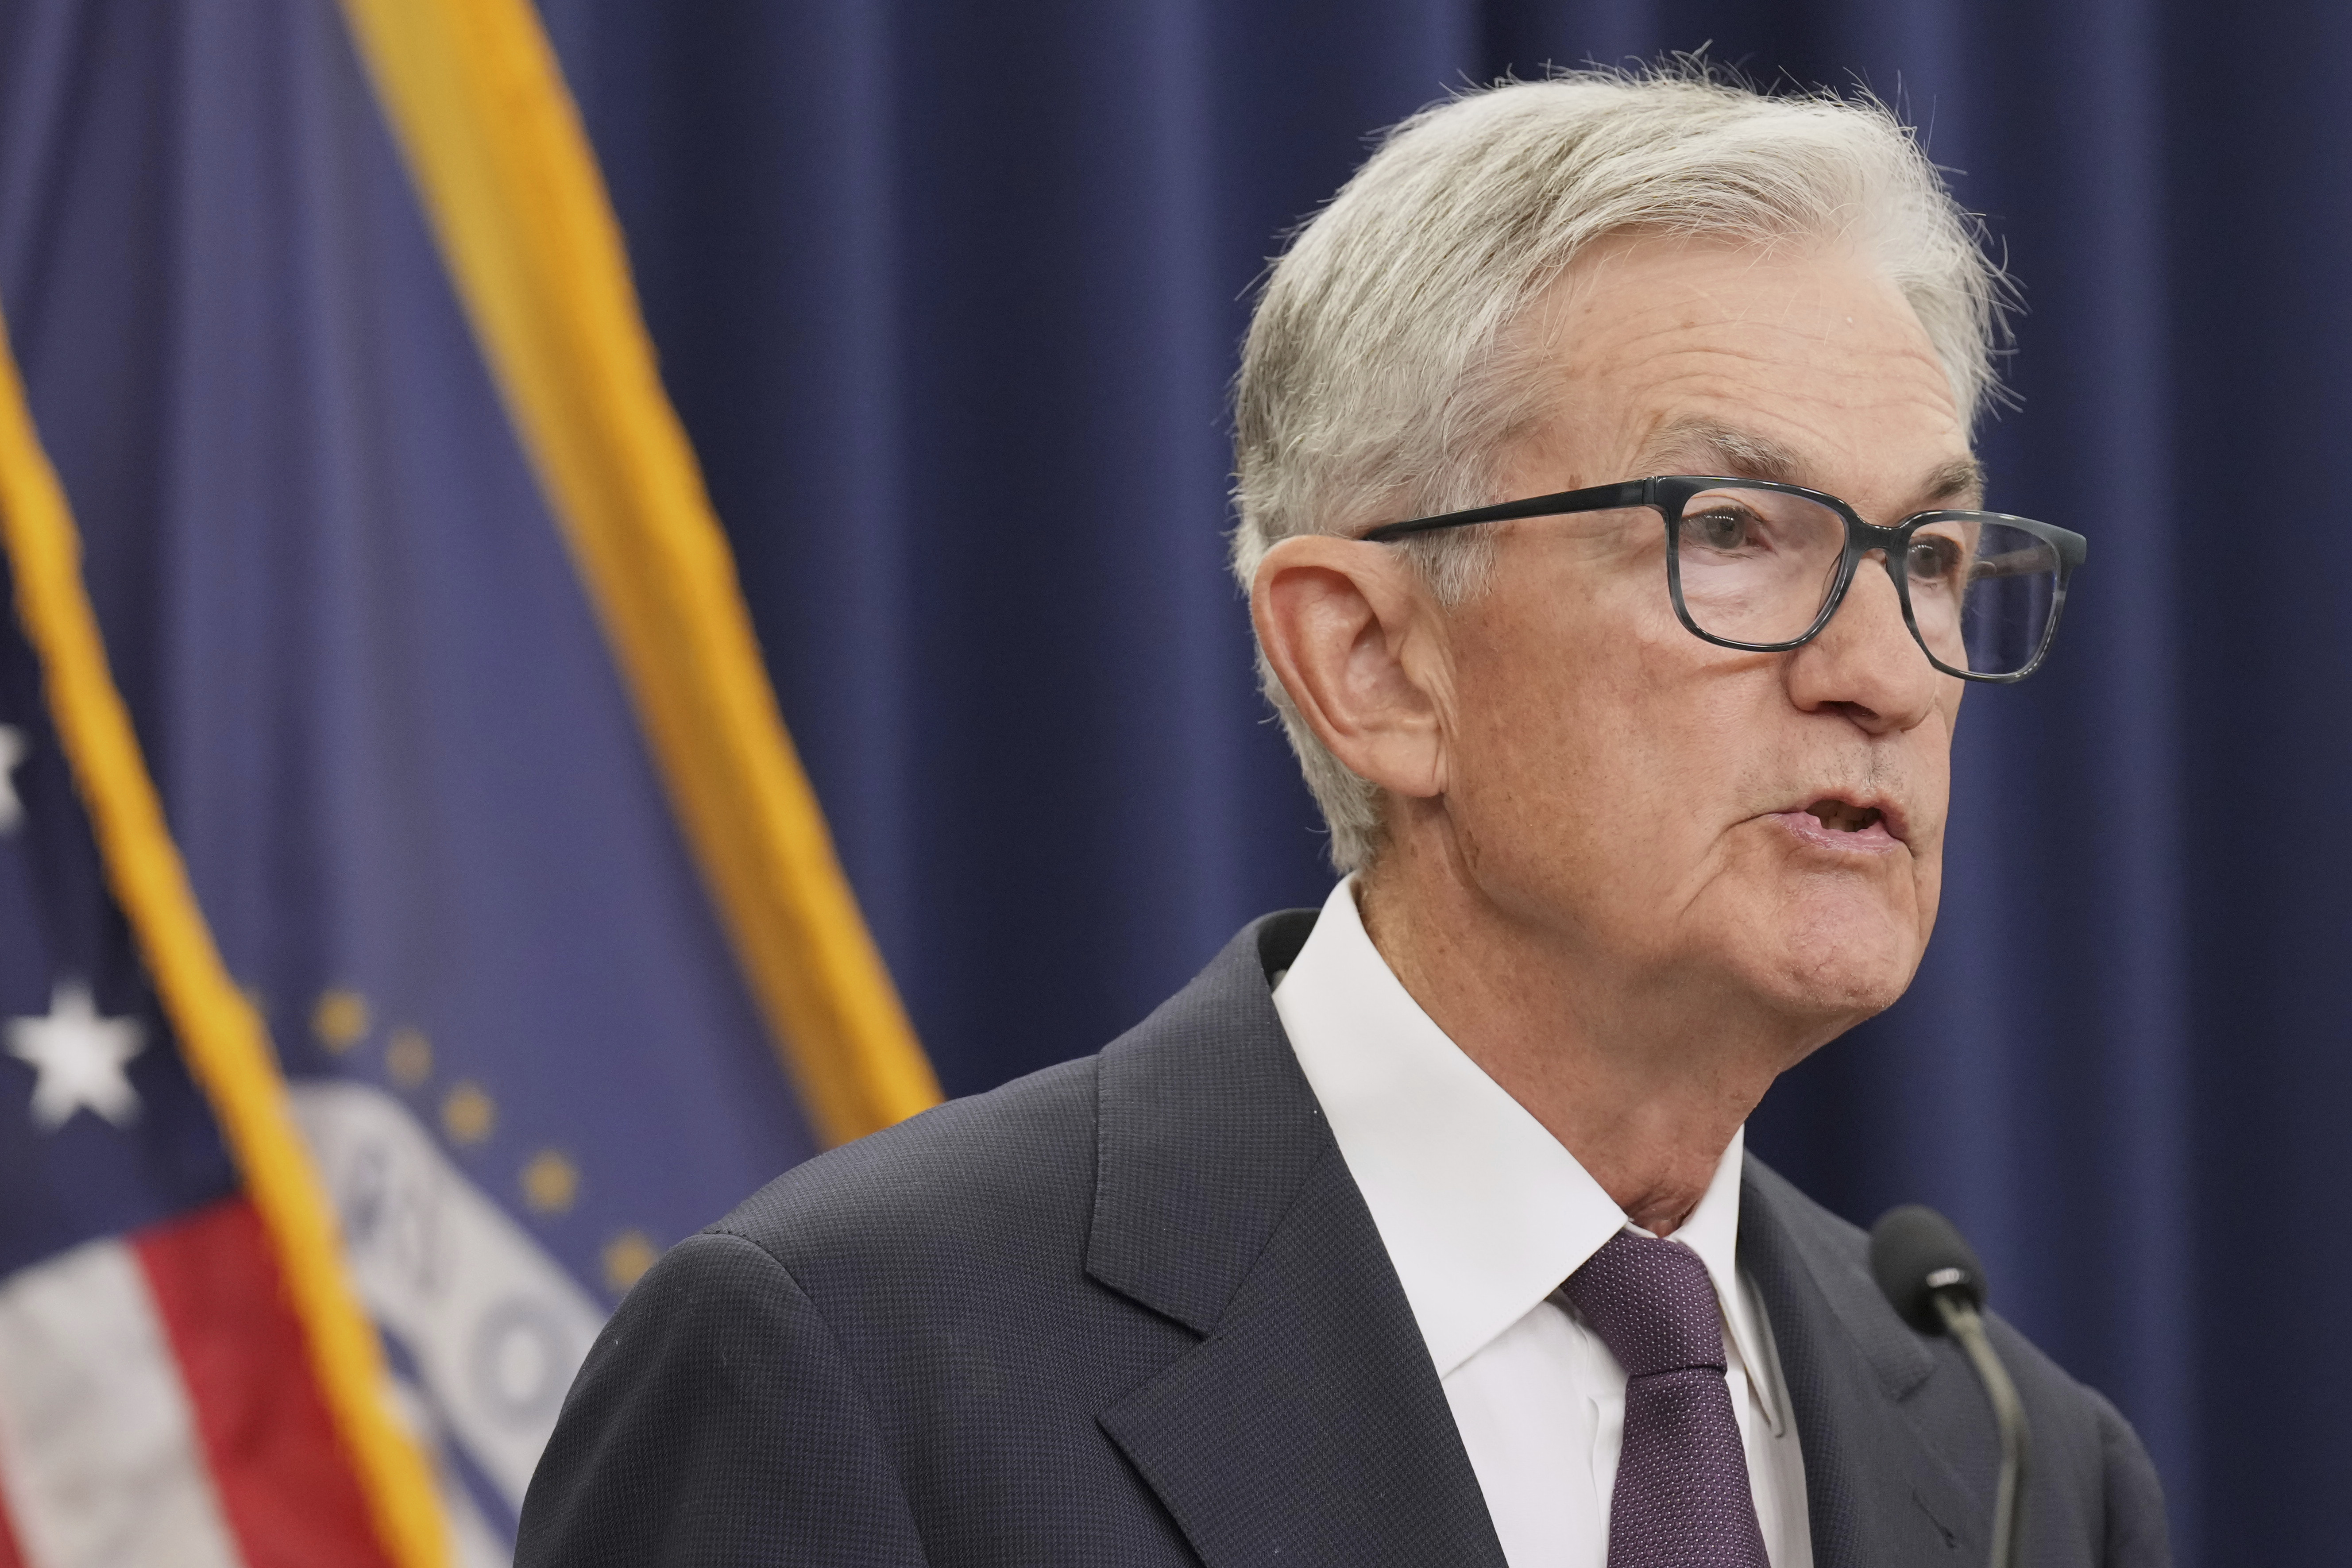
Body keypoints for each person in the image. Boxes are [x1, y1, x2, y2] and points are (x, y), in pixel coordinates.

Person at [517, 69, 2170, 1568]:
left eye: (1933, 558)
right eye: (1734, 532)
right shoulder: (853, 1372)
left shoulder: (2020, 1463)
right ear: (1372, 662)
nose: (1885, 671)